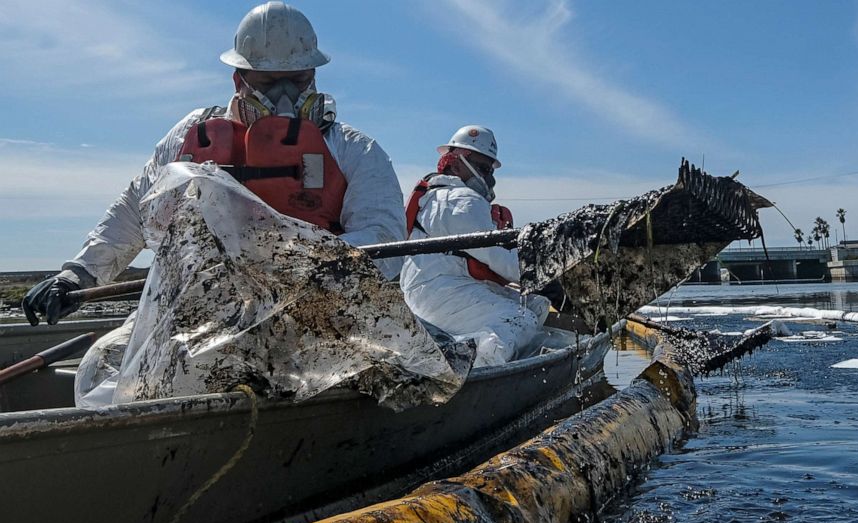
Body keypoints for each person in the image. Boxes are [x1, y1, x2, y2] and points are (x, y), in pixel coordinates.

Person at [22, 1, 406, 328]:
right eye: (270, 81)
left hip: (313, 311)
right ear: (240, 79)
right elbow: (133, 211)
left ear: (313, 77)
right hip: (195, 310)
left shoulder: (353, 150)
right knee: (105, 371)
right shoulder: (190, 137)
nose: (286, 96)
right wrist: (81, 273)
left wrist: (293, 267)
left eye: (298, 80)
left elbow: (382, 239)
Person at [400, 125, 550, 367]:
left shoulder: (434, 196)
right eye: (482, 168)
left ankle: (488, 350)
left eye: (490, 171)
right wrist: (549, 273)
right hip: (443, 294)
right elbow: (503, 261)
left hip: (432, 289)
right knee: (522, 319)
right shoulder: (462, 201)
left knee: (536, 304)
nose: (488, 178)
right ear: (455, 163)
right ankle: (476, 366)